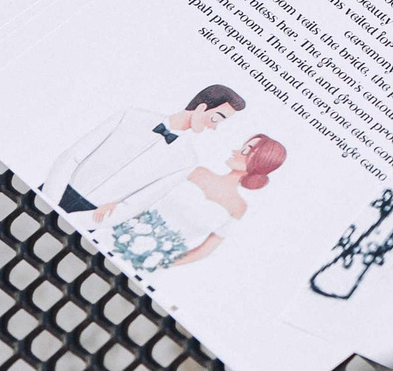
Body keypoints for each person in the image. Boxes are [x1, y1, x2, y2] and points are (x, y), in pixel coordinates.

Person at [41, 85, 248, 216]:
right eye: (216, 118)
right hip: (51, 191)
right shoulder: (131, 116)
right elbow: (72, 155)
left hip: (92, 216)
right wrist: (49, 198)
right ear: (202, 108)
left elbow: (137, 204)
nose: (214, 127)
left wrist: (81, 223)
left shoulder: (187, 160)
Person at [99, 136, 287, 274]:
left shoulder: (238, 207)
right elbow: (148, 191)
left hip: (143, 265)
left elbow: (205, 250)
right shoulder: (199, 172)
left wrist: (160, 262)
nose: (235, 151)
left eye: (246, 150)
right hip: (113, 233)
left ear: (259, 161)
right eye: (242, 146)